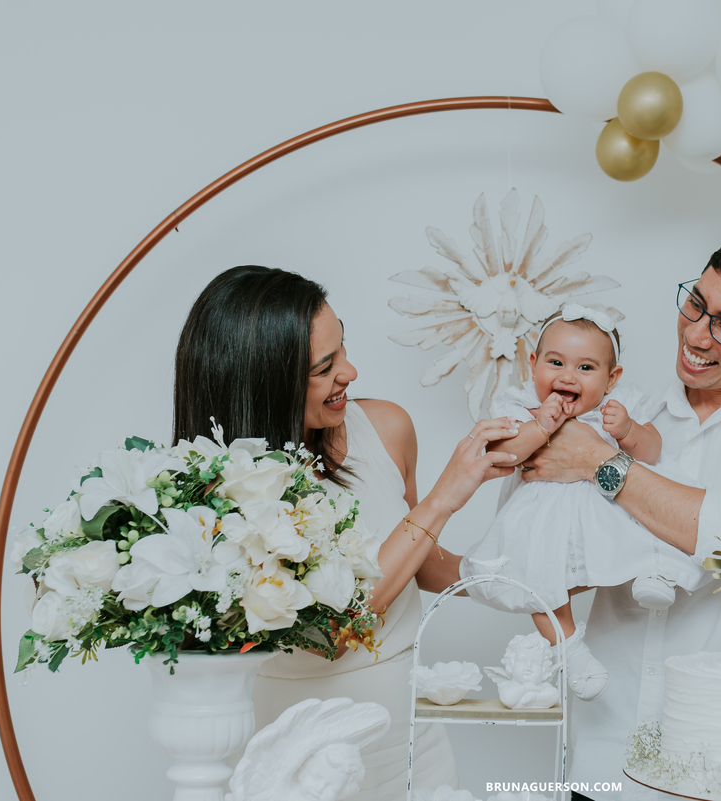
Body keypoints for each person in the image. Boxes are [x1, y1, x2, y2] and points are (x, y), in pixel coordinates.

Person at [518, 234, 721, 800]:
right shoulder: (631, 417)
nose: (697, 334)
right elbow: (563, 550)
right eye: (695, 304)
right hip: (607, 750)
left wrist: (603, 465)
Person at [174, 265, 520, 800]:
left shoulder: (384, 428)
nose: (351, 372)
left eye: (344, 350)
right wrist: (446, 497)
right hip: (302, 752)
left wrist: (506, 580)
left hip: (411, 734)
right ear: (264, 382)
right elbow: (331, 634)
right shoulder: (217, 498)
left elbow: (410, 556)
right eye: (324, 366)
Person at [460, 305, 707, 702]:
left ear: (612, 380)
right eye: (555, 362)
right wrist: (540, 426)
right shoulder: (518, 403)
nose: (567, 376)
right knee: (534, 578)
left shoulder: (621, 404)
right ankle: (570, 651)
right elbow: (506, 454)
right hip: (541, 514)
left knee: (653, 503)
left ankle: (656, 573)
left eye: (586, 368)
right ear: (533, 362)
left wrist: (627, 431)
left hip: (605, 507)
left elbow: (653, 452)